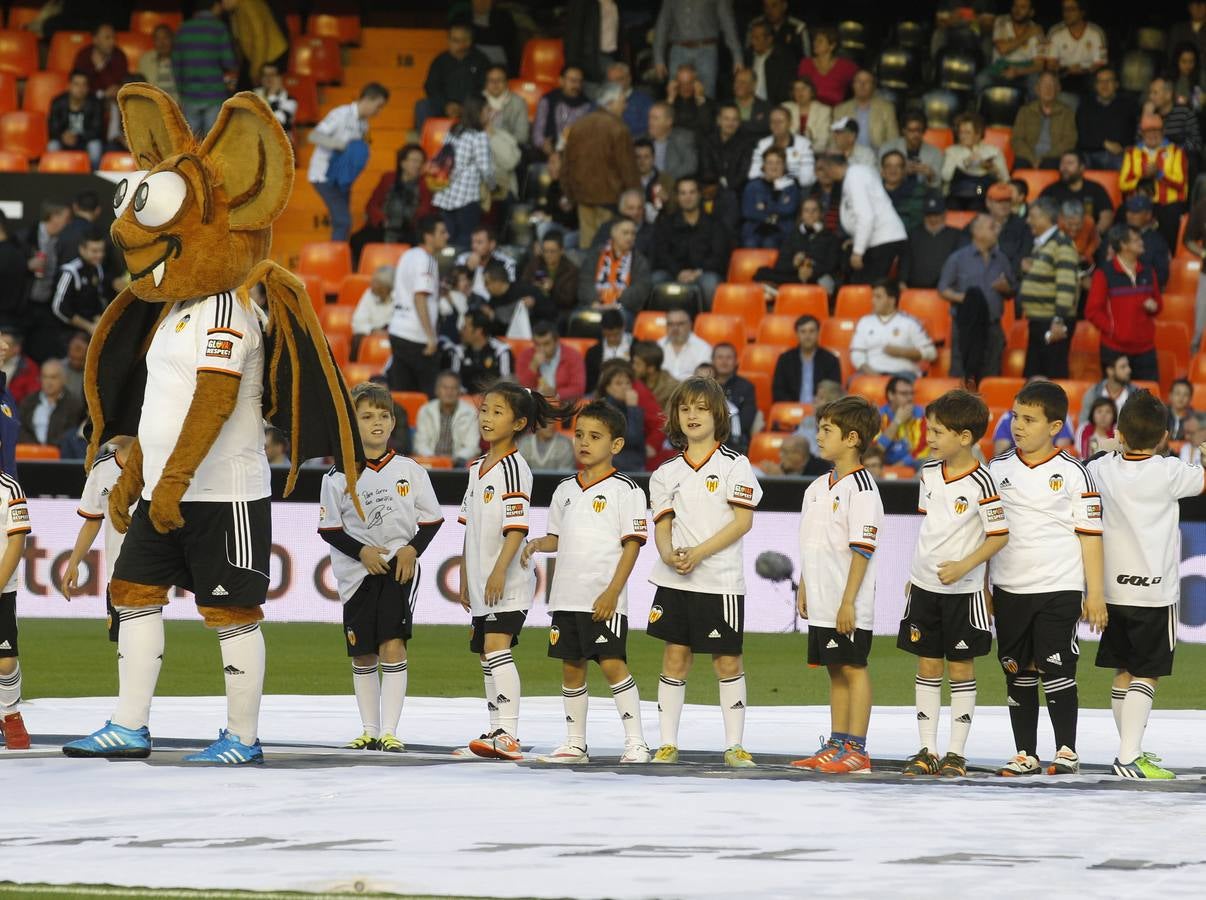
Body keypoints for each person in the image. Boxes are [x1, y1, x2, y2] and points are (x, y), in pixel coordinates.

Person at [522, 399, 651, 763]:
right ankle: (575, 742)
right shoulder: (564, 489)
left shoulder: (626, 490)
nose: (583, 442)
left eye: (595, 436)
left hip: (602, 597)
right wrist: (536, 544)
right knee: (571, 666)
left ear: (616, 445)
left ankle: (636, 741)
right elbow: (557, 539)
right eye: (579, 434)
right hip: (566, 596)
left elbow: (632, 546)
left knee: (612, 665)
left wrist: (612, 592)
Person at [987, 381, 1105, 777]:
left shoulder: (1075, 474)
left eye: (1029, 419)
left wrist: (1095, 594)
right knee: (1016, 670)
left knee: (1056, 666)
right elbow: (986, 533)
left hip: (1060, 587)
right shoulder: (996, 469)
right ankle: (1025, 753)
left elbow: (1090, 537)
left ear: (1055, 426)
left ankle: (1067, 751)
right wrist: (984, 585)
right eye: (1016, 417)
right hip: (1009, 588)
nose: (1018, 426)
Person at [318, 382, 443, 752]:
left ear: (392, 424)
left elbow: (432, 520)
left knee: (393, 644)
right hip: (356, 576)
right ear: (351, 424)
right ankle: (369, 729)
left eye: (383, 416)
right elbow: (329, 528)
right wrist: (361, 553)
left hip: (397, 570)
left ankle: (390, 731)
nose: (376, 422)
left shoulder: (411, 470)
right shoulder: (338, 476)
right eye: (366, 415)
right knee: (362, 652)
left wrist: (410, 550)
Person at [646, 376, 761, 767]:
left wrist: (697, 552)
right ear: (675, 417)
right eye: (684, 408)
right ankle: (666, 743)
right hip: (676, 580)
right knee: (674, 657)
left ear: (718, 415)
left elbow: (742, 522)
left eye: (700, 407)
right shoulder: (665, 473)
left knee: (727, 660)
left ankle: (734, 745)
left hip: (720, 580)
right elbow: (662, 525)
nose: (692, 415)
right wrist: (667, 554)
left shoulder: (735, 465)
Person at [456, 382, 574, 760]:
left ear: (519, 422)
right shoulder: (476, 468)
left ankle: (509, 731)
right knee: (484, 654)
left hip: (507, 579)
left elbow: (517, 528)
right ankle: (495, 729)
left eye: (497, 412)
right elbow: (469, 526)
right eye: (484, 410)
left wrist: (497, 572)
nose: (487, 419)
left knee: (496, 646)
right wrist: (464, 574)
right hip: (480, 580)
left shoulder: (513, 468)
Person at [1089, 391, 1202, 778]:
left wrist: (1110, 445)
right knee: (1146, 673)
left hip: (1111, 589)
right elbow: (1202, 480)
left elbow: (1092, 457)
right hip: (1153, 592)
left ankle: (1128, 749)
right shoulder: (1170, 471)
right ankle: (1128, 756)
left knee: (1123, 670)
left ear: (1120, 431)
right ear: (1165, 436)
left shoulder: (1103, 469)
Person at [899, 391, 1009, 777]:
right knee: (928, 665)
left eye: (938, 431)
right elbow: (930, 527)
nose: (929, 437)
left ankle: (956, 753)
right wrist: (914, 577)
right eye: (930, 429)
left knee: (961, 668)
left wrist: (965, 567)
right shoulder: (929, 472)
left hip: (964, 593)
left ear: (964, 437)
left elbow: (998, 536)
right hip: (925, 587)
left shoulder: (983, 481)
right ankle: (926, 749)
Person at [794, 395, 882, 774]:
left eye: (827, 430)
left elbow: (862, 550)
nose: (818, 436)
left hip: (848, 601)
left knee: (853, 667)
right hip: (823, 596)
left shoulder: (862, 489)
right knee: (835, 668)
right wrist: (804, 584)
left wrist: (849, 602)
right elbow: (811, 542)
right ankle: (837, 742)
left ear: (852, 438)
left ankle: (858, 749)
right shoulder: (815, 487)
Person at [62, 435, 135, 655]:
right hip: (117, 574)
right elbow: (92, 521)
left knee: (143, 642)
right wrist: (73, 562)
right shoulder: (102, 467)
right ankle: (130, 691)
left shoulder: (155, 463)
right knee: (123, 646)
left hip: (151, 572)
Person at [307, 83, 390, 242]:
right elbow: (314, 136)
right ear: (367, 99)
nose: (378, 112)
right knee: (343, 222)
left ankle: (339, 258)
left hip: (342, 177)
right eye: (378, 106)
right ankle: (336, 262)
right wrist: (342, 146)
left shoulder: (363, 124)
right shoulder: (341, 114)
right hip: (324, 175)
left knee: (343, 223)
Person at [561, 83, 640, 247]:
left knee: (587, 247)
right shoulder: (618, 128)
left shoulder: (578, 126)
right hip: (611, 201)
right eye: (622, 101)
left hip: (583, 199)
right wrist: (636, 196)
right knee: (609, 247)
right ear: (611, 102)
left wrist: (569, 194)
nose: (625, 105)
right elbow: (628, 169)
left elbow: (566, 165)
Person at [939, 214, 1016, 381]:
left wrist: (1006, 288)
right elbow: (943, 289)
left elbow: (1012, 290)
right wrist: (967, 300)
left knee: (991, 373)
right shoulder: (958, 258)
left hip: (993, 326)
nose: (997, 231)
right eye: (992, 227)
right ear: (977, 231)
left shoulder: (1001, 259)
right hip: (965, 326)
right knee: (961, 374)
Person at [1085, 225, 1161, 382]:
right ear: (1123, 245)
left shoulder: (1148, 271)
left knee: (1148, 401)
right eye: (1136, 240)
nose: (1141, 242)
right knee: (1115, 400)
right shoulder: (1104, 273)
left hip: (1145, 349)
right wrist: (1113, 330)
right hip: (1114, 350)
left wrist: (1154, 306)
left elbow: (1159, 304)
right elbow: (1092, 311)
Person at [1018, 197, 1079, 378]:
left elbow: (1066, 284)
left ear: (1046, 218)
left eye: (1033, 217)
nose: (1028, 221)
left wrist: (1059, 320)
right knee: (1035, 380)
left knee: (1052, 379)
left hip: (1052, 322)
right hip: (1040, 320)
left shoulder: (1062, 244)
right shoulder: (1043, 244)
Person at [387, 215, 447, 397]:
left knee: (404, 396)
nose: (447, 236)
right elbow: (419, 297)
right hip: (417, 337)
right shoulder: (427, 260)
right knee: (429, 397)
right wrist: (431, 337)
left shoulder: (408, 255)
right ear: (428, 237)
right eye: (442, 232)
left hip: (397, 331)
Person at [828, 153, 907, 283]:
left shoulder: (854, 175)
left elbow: (866, 216)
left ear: (832, 167)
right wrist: (856, 239)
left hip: (884, 239)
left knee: (869, 286)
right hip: (879, 239)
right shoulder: (855, 174)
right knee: (858, 282)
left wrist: (858, 251)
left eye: (824, 169)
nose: (825, 175)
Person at [651, 178, 729, 310]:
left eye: (692, 192)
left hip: (703, 274)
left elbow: (719, 256)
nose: (688, 197)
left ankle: (708, 325)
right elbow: (662, 253)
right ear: (677, 197)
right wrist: (678, 272)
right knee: (655, 279)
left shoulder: (715, 224)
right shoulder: (666, 224)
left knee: (710, 282)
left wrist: (697, 272)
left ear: (699, 195)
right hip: (674, 273)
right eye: (683, 193)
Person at [431, 95, 494, 251]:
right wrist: (493, 187)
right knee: (465, 242)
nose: (490, 113)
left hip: (445, 195)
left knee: (447, 241)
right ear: (478, 112)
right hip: (466, 198)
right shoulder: (479, 137)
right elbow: (486, 170)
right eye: (487, 110)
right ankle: (460, 273)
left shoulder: (454, 130)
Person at [1119, 115, 1188, 253]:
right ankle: (1124, 255)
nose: (1152, 134)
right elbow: (1123, 184)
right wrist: (1142, 177)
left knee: (1171, 217)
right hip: (1139, 203)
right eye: (1148, 131)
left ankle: (1169, 257)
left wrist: (1160, 174)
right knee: (1121, 214)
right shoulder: (1132, 153)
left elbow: (1181, 184)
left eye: (1156, 131)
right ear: (1142, 133)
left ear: (1163, 132)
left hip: (1168, 204)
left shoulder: (1176, 152)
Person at [652, 0, 743, 99]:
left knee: (706, 95)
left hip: (706, 51)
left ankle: (705, 114)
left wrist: (737, 55)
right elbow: (663, 23)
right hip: (678, 50)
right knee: (674, 94)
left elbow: (727, 22)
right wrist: (658, 58)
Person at [172, 0, 236, 137]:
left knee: (191, 143)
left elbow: (176, 64)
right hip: (214, 94)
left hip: (189, 95)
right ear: (215, 6)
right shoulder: (219, 28)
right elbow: (228, 62)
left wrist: (182, 90)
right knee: (211, 143)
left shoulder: (183, 28)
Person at [0, 466, 31, 749]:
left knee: (5, 661)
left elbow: (17, 543)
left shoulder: (10, 489)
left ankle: (10, 713)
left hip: (1, 589)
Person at [353, 145, 426, 260]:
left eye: (421, 162)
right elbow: (372, 205)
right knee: (358, 240)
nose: (418, 165)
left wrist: (407, 220)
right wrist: (383, 220)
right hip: (384, 225)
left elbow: (425, 210)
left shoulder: (425, 184)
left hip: (408, 228)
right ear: (403, 163)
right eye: (414, 161)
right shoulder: (388, 178)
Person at [850, 280, 937, 379]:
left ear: (892, 300)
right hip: (871, 374)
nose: (873, 301)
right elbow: (856, 354)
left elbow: (931, 353)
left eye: (878, 297)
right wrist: (874, 375)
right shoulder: (864, 322)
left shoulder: (910, 322)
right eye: (873, 296)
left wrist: (902, 352)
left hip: (903, 374)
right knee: (852, 383)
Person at [755, 197, 841, 293]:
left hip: (817, 277)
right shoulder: (792, 236)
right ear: (801, 215)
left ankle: (779, 291)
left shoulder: (831, 237)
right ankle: (782, 291)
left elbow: (832, 265)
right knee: (761, 272)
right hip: (794, 275)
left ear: (821, 214)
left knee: (827, 281)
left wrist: (812, 270)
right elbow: (779, 265)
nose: (810, 214)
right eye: (806, 211)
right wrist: (794, 264)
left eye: (814, 210)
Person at [579, 218, 652, 316]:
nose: (630, 237)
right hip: (594, 305)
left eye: (633, 234)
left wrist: (617, 302)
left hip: (623, 308)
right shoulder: (595, 255)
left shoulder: (639, 260)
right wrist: (595, 302)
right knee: (580, 317)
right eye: (625, 233)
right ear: (614, 233)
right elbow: (585, 281)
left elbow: (641, 289)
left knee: (620, 316)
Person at [420, 23, 489, 125]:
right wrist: (446, 105)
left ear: (469, 42)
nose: (457, 44)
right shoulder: (440, 60)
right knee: (422, 106)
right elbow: (431, 86)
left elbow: (485, 87)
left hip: (471, 106)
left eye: (460, 40)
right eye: (453, 40)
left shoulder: (481, 60)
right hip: (444, 106)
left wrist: (464, 106)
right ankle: (426, 138)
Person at [942, 112, 1009, 210]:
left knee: (978, 197)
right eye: (961, 132)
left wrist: (993, 169)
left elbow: (1005, 179)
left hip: (980, 189)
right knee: (954, 204)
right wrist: (965, 163)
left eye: (967, 133)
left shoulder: (993, 151)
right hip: (957, 191)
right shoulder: (951, 151)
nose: (962, 136)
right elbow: (946, 177)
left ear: (978, 134)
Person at [1041, 0, 1107, 99]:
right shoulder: (1055, 32)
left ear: (1082, 12)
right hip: (1064, 74)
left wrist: (1084, 70)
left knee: (1098, 81)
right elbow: (1050, 64)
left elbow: (1101, 63)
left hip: (1088, 75)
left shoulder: (1096, 32)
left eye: (1071, 9)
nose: (1067, 13)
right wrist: (1067, 69)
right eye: (1065, 9)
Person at [1011, 72, 1077, 170]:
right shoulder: (1025, 111)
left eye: (1052, 85)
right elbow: (1017, 139)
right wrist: (1032, 159)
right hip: (1028, 156)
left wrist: (1045, 158)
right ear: (1037, 89)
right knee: (1020, 164)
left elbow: (1069, 141)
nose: (1048, 89)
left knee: (1051, 165)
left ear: (1058, 89)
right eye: (1044, 85)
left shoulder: (1067, 112)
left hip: (1054, 157)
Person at [771, 315, 841, 404]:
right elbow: (778, 391)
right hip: (791, 410)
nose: (807, 336)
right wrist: (795, 409)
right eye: (803, 331)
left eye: (811, 331)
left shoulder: (831, 360)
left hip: (820, 411)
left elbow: (834, 392)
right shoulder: (785, 359)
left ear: (818, 333)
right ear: (797, 334)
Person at [901, 194, 966, 289]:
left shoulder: (957, 235)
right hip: (915, 288)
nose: (933, 219)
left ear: (944, 214)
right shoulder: (913, 234)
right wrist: (902, 280)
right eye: (929, 215)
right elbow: (906, 260)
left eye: (936, 215)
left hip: (948, 289)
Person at [1077, 67, 1137, 170]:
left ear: (1116, 84)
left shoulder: (1127, 106)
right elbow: (1083, 137)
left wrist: (1125, 148)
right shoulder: (1085, 106)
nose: (1104, 85)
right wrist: (1104, 143)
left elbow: (1131, 134)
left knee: (1126, 165)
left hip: (1118, 155)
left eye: (1108, 81)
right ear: (1095, 86)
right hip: (1089, 155)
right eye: (1100, 81)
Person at [413, 371, 479, 465]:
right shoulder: (425, 410)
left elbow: (472, 446)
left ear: (459, 392)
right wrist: (435, 460)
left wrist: (453, 461)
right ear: (437, 390)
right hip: (430, 462)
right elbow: (420, 443)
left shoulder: (470, 412)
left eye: (453, 388)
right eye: (445, 388)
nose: (449, 392)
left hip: (458, 464)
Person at [1040, 151, 1114, 234]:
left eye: (1070, 163)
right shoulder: (1050, 190)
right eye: (1062, 163)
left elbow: (1107, 215)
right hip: (1058, 239)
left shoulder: (1095, 189)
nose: (1064, 167)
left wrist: (1095, 234)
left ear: (1081, 167)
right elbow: (1039, 213)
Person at [741, 146, 800, 248]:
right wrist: (774, 214)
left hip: (781, 230)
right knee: (750, 243)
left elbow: (788, 210)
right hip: (755, 230)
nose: (774, 166)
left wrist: (765, 207)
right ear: (763, 165)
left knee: (770, 243)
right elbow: (749, 212)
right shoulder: (752, 186)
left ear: (784, 165)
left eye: (778, 162)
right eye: (770, 162)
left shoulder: (791, 187)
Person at [17, 359, 83, 447]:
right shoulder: (28, 402)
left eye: (53, 377)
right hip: (30, 454)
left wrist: (49, 449)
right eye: (45, 377)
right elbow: (20, 428)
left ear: (64, 379)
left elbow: (71, 433)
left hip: (62, 456)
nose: (48, 382)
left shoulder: (74, 404)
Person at [981, 0, 1044, 92]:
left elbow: (1039, 65)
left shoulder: (1036, 30)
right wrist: (1028, 34)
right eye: (1015, 6)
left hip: (1023, 73)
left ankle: (1032, 106)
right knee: (981, 80)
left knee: (1035, 81)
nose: (1017, 10)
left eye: (1022, 7)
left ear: (1031, 12)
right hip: (999, 70)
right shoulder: (1002, 21)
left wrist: (1018, 71)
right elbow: (1003, 49)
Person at [517, 320, 587, 401]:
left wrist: (555, 393)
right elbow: (521, 389)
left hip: (564, 404)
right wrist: (533, 366)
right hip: (534, 403)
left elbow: (578, 389)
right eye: (537, 344)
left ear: (556, 341)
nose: (541, 349)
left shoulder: (573, 356)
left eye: (546, 344)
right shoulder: (525, 356)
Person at [533, 65, 593, 158]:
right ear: (561, 81)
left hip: (577, 155)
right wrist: (543, 144)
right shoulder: (548, 100)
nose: (577, 85)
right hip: (549, 153)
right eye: (573, 81)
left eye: (580, 81)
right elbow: (538, 132)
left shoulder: (587, 105)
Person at [47, 71, 104, 169]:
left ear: (88, 88)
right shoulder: (58, 102)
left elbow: (97, 130)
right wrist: (62, 136)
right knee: (52, 146)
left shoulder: (95, 104)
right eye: (76, 84)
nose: (80, 89)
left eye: (84, 84)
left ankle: (94, 178)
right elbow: (52, 127)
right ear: (69, 86)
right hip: (64, 140)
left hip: (85, 141)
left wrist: (78, 137)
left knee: (95, 146)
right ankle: (55, 178)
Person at [748, 106, 816, 187]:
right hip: (766, 188)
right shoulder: (763, 144)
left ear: (790, 123)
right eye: (772, 121)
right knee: (751, 187)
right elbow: (753, 174)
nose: (776, 125)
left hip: (795, 189)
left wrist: (781, 181)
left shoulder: (804, 144)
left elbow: (807, 178)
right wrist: (771, 181)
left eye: (780, 121)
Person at [833, 70, 898, 154]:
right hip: (849, 157)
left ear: (873, 86)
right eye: (858, 81)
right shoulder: (840, 109)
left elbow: (893, 139)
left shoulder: (886, 108)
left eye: (867, 82)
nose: (862, 85)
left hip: (878, 157)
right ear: (853, 85)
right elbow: (834, 140)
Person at [225, 0, 288, 86]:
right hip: (260, 57)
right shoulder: (237, 9)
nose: (222, 3)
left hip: (270, 55)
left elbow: (260, 37)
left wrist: (256, 70)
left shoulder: (247, 4)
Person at [450, 308, 513, 393]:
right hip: (465, 402)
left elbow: (507, 385)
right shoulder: (459, 351)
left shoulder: (501, 351)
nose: (461, 331)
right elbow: (454, 383)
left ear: (478, 331)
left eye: (465, 327)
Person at [1142, 77, 1203, 161]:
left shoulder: (1185, 113)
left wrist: (1171, 149)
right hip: (1153, 162)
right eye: (1150, 93)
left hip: (1179, 161)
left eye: (1155, 93)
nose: (1151, 97)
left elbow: (1197, 144)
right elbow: (1139, 145)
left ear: (1168, 95)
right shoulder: (1150, 113)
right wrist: (1146, 117)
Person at [879, 112, 942, 192]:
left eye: (919, 130)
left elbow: (937, 185)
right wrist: (900, 171)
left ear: (924, 131)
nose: (916, 134)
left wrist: (930, 175)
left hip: (921, 197)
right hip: (893, 194)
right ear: (903, 130)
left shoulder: (935, 153)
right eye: (911, 130)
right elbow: (880, 177)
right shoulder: (888, 148)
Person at [797, 25, 858, 107]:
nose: (815, 43)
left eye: (820, 41)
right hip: (811, 111)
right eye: (815, 40)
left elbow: (861, 83)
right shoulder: (806, 64)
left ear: (832, 46)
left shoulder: (846, 67)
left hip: (836, 112)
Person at [700, 105, 754, 197]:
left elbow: (743, 173)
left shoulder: (746, 143)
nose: (730, 123)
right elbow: (706, 169)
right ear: (719, 120)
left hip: (735, 191)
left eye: (735, 119)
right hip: (710, 188)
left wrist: (725, 187)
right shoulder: (708, 141)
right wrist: (716, 186)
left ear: (739, 123)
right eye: (726, 119)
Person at [521, 231, 578, 318]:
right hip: (535, 307)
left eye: (552, 251)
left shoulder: (570, 270)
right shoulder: (535, 263)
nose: (548, 255)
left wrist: (552, 289)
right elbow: (523, 284)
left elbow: (568, 301)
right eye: (545, 251)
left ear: (561, 251)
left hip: (557, 311)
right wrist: (533, 289)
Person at [711, 343, 757, 452]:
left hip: (735, 441)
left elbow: (745, 421)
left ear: (736, 361)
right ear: (712, 361)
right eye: (720, 357)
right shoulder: (705, 386)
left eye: (729, 357)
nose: (724, 362)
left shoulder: (746, 387)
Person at [563, 0, 620, 86]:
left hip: (612, 55)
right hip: (590, 57)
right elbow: (573, 33)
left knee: (614, 90)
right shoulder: (584, 3)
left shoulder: (615, 4)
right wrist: (572, 64)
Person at [876, 376, 928, 468]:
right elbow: (876, 450)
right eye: (904, 394)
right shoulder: (879, 417)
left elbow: (922, 449)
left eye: (911, 393)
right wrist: (897, 421)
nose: (910, 398)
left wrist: (896, 468)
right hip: (882, 467)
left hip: (913, 468)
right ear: (891, 395)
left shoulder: (921, 415)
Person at [986, 181, 1034, 276]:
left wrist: (1007, 275)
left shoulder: (1024, 226)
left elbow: (1024, 256)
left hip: (1012, 278)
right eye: (999, 201)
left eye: (1007, 201)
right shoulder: (978, 224)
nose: (1004, 205)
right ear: (988, 202)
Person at [456, 226, 517, 298]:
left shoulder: (506, 263)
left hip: (494, 303)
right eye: (473, 242)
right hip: (467, 302)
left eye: (479, 242)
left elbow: (509, 290)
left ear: (492, 244)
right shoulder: (463, 259)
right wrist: (468, 269)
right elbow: (454, 286)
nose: (474, 246)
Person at [72, 22, 127, 100]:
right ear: (95, 40)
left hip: (113, 101)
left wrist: (101, 67)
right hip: (89, 100)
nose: (112, 42)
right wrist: (101, 94)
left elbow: (115, 87)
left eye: (114, 38)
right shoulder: (84, 56)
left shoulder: (119, 56)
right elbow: (79, 84)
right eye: (107, 38)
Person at [657, 306, 713, 381]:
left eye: (680, 324)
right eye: (671, 324)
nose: (675, 328)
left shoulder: (703, 348)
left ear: (690, 325)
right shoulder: (658, 345)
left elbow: (704, 380)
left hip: (690, 391)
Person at [349, 266, 394, 357]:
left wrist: (388, 333)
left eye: (376, 283)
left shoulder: (399, 297)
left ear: (387, 287)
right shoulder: (368, 294)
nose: (371, 284)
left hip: (392, 335)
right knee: (357, 339)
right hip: (371, 334)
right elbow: (357, 322)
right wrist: (373, 331)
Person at [647, 102, 698, 181]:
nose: (650, 122)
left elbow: (690, 165)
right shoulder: (643, 140)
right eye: (650, 118)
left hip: (674, 186)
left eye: (655, 118)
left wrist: (666, 180)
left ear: (669, 121)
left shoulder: (682, 138)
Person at [747, 21, 794, 106]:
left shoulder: (782, 59)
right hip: (750, 107)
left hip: (772, 108)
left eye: (757, 38)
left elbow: (784, 91)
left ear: (769, 39)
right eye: (752, 37)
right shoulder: (748, 57)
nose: (753, 41)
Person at [1080, 353, 1135, 425]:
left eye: (1128, 366)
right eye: (1123, 367)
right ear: (1110, 371)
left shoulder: (1136, 394)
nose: (1129, 370)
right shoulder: (1093, 393)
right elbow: (1084, 424)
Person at [482, 64, 529, 147]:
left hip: (508, 149)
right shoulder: (476, 101)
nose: (495, 84)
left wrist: (498, 141)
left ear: (507, 82)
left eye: (499, 80)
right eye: (491, 80)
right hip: (481, 147)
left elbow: (522, 136)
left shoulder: (518, 103)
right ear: (485, 83)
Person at [605, 61, 653, 138]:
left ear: (628, 79)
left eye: (618, 79)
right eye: (611, 81)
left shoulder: (643, 100)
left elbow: (649, 125)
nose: (614, 84)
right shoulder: (601, 100)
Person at [881, 151, 926, 232]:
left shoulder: (917, 191)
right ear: (882, 171)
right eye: (888, 166)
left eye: (898, 166)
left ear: (904, 171)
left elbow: (917, 224)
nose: (893, 170)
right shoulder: (872, 192)